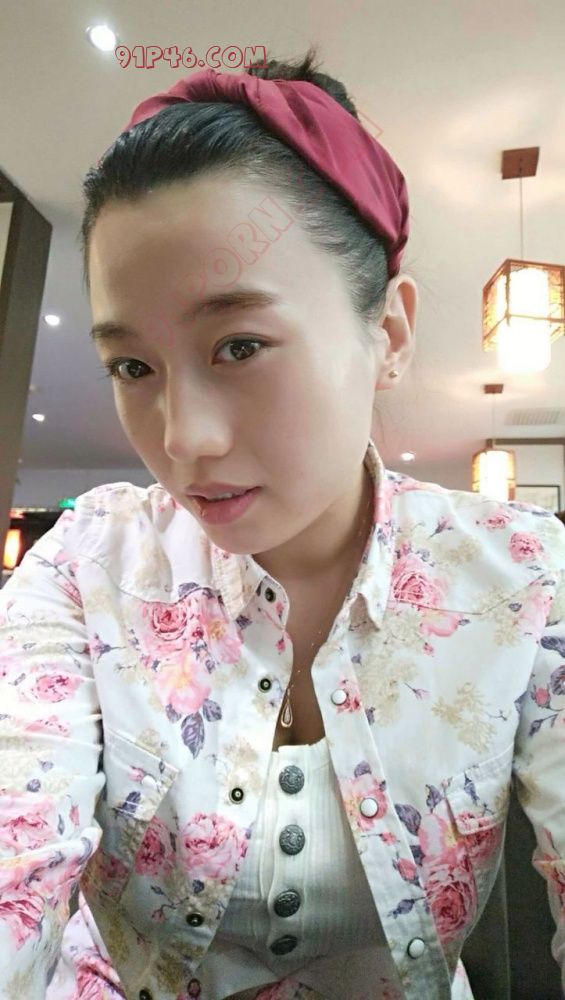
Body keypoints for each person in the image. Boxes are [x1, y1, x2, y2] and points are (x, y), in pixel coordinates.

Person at [0, 46, 564, 1000]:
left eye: (239, 345)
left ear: (388, 335)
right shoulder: (87, 567)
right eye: (133, 367)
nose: (182, 439)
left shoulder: (522, 576)